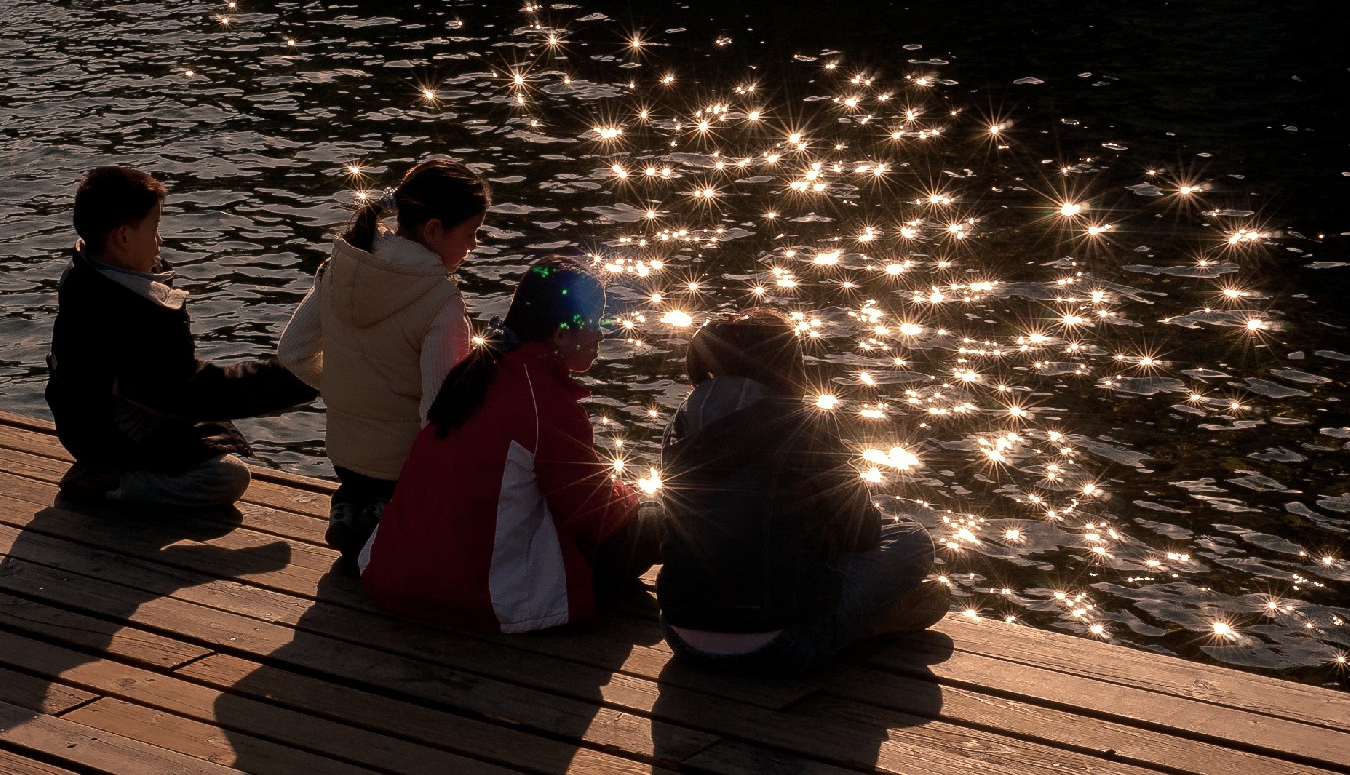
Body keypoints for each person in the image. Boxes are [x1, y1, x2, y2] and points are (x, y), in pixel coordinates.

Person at [359, 255, 660, 633]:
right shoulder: (542, 400)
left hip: (393, 573)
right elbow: (599, 517)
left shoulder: (478, 370)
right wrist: (634, 498)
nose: (602, 334)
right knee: (654, 520)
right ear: (561, 334)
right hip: (467, 595)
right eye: (596, 322)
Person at [656, 308, 948, 676]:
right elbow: (862, 533)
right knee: (912, 538)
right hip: (783, 644)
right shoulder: (803, 423)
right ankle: (863, 624)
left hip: (680, 633)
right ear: (786, 361)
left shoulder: (680, 423)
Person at [45, 166, 317, 507]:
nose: (160, 241)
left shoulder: (102, 271)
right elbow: (184, 391)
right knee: (225, 477)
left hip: (133, 408)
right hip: (109, 432)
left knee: (218, 430)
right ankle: (110, 482)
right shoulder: (116, 312)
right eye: (155, 229)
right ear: (123, 237)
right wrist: (297, 378)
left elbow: (175, 381)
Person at [278, 156, 491, 560]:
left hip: (344, 457)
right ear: (433, 230)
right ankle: (385, 511)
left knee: (360, 482)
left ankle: (352, 504)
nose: (474, 246)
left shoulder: (340, 265)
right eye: (471, 233)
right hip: (399, 468)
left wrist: (351, 390)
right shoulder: (440, 303)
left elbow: (292, 352)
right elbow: (437, 414)